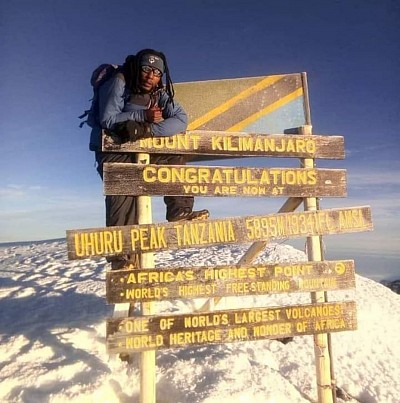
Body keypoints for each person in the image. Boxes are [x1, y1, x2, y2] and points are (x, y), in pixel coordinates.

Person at [90, 49, 209, 268]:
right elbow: (107, 119)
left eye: (156, 72)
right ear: (137, 68)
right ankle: (121, 259)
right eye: (146, 69)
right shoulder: (119, 81)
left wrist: (147, 130)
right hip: (115, 150)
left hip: (143, 146)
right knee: (124, 192)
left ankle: (179, 211)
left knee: (175, 157)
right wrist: (141, 116)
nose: (150, 76)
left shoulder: (160, 92)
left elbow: (181, 120)